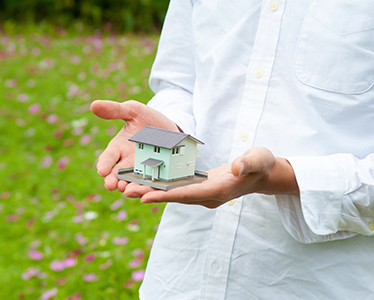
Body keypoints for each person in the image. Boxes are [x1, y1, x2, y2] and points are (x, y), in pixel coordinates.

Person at [91, 0, 374, 298]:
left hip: (319, 282)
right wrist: (168, 132)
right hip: (183, 277)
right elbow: (180, 85)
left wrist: (285, 178)